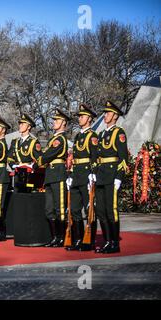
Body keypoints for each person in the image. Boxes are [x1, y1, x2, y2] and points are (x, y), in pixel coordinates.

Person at [94, 101, 129, 254]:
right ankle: (107, 241)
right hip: (101, 175)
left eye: (108, 113)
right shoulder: (101, 134)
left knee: (111, 210)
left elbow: (123, 158)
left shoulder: (119, 133)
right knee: (100, 210)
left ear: (115, 116)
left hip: (112, 175)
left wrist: (119, 177)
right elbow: (96, 157)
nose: (105, 115)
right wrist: (94, 174)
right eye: (105, 113)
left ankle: (115, 243)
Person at [65, 104, 98, 251]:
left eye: (82, 116)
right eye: (79, 116)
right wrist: (70, 174)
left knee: (89, 208)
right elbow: (74, 157)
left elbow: (95, 157)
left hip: (86, 174)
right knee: (74, 209)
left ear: (89, 119)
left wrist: (93, 174)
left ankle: (89, 240)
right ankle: (78, 239)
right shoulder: (78, 135)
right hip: (77, 174)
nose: (80, 118)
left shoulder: (92, 136)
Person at [38, 109, 70, 247]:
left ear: (63, 123)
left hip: (58, 174)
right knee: (49, 209)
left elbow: (49, 154)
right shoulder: (53, 139)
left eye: (57, 120)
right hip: (50, 175)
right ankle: (54, 237)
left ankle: (62, 237)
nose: (54, 122)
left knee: (60, 208)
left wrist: (38, 161)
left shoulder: (60, 139)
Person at [8, 114, 42, 193]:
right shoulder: (15, 141)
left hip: (28, 174)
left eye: (23, 124)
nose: (20, 125)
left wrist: (32, 166)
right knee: (16, 195)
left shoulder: (33, 142)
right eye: (20, 124)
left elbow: (40, 158)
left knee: (26, 195)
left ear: (29, 127)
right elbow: (9, 157)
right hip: (17, 172)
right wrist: (14, 165)